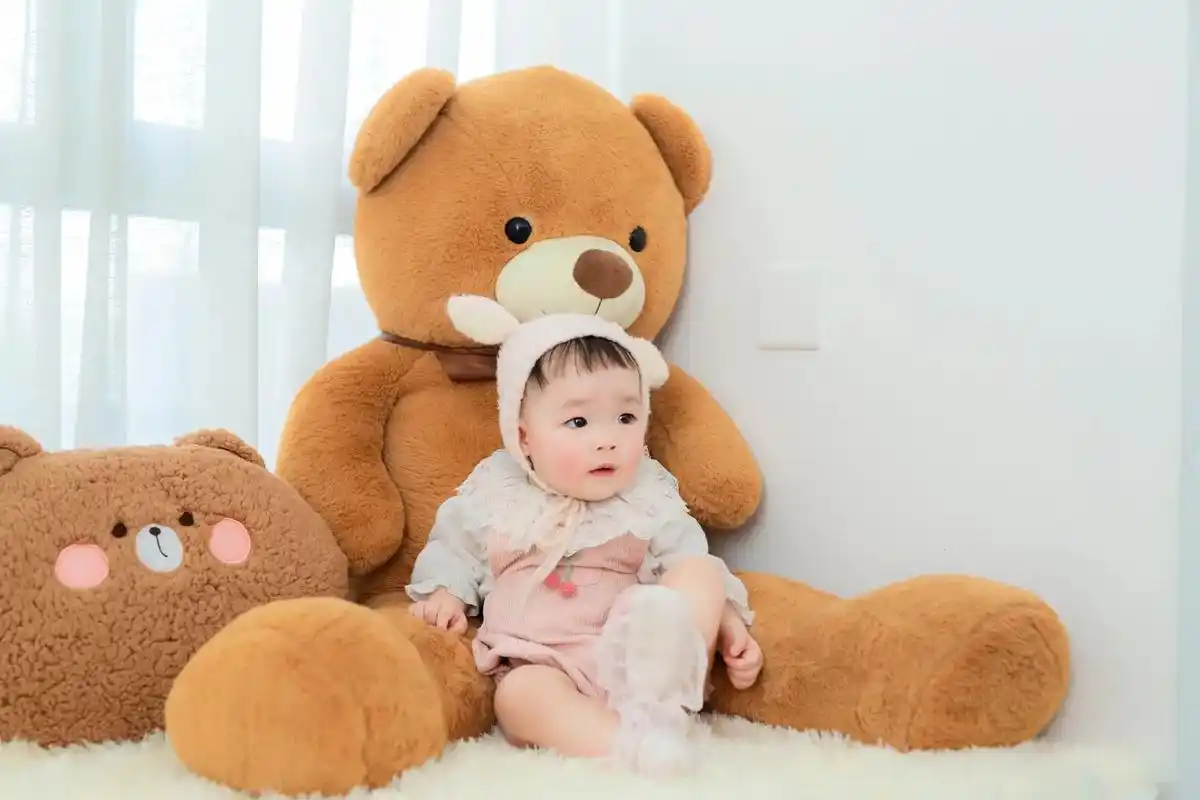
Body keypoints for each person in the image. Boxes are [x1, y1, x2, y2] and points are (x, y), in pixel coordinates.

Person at [405, 309, 762, 775]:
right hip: (544, 663)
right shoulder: (497, 492)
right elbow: (453, 548)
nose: (607, 440)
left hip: (636, 660)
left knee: (698, 570)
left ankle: (663, 698)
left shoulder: (647, 495)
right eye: (578, 422)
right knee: (518, 698)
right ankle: (630, 745)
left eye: (626, 417)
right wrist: (445, 593)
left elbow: (687, 559)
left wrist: (727, 623)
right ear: (523, 437)